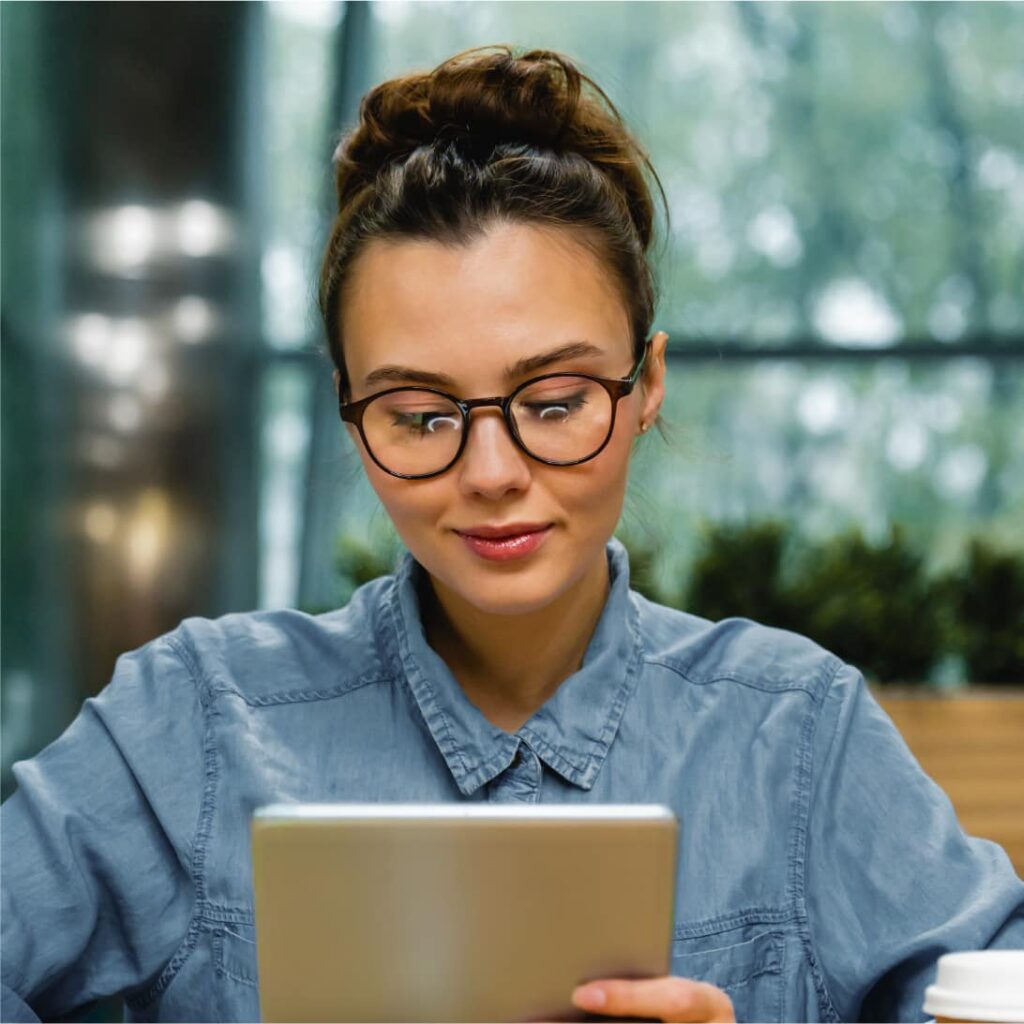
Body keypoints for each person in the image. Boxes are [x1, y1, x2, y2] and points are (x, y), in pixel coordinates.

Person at [2, 44, 1021, 1024]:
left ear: (646, 384)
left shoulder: (796, 735)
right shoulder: (193, 721)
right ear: (351, 415)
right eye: (419, 416)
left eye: (555, 399)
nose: (492, 474)